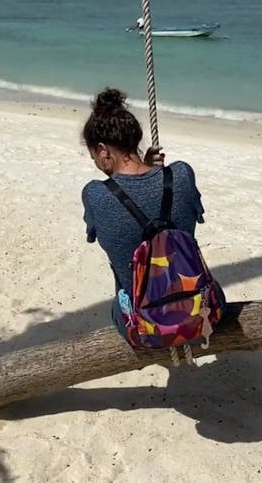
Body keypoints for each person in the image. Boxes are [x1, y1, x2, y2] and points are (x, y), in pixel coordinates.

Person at [81, 87, 205, 338]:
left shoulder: (95, 194)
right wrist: (150, 169)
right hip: (200, 310)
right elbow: (191, 216)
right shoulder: (181, 174)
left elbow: (105, 234)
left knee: (123, 273)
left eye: (94, 155)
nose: (96, 162)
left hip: (141, 327)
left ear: (103, 150)